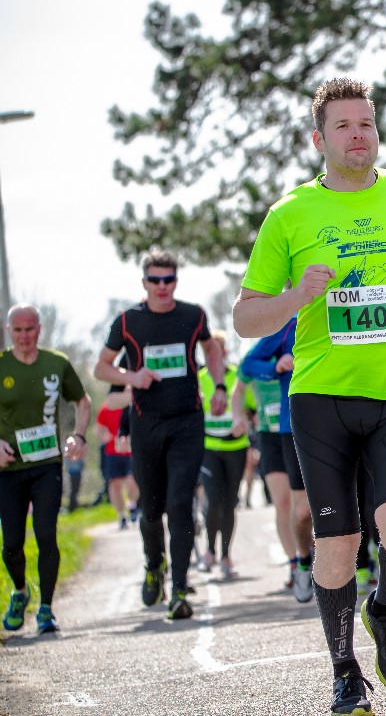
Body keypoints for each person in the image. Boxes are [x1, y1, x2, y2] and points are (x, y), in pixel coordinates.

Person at [232, 77, 386, 716]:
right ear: (319, 140)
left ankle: (383, 607)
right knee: (336, 544)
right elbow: (245, 317)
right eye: (343, 126)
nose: (358, 135)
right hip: (321, 399)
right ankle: (344, 670)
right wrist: (296, 297)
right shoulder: (290, 214)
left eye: (366, 123)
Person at [94, 250, 227, 620]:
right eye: (155, 280)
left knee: (180, 504)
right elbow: (101, 368)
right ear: (145, 282)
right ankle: (155, 565)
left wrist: (218, 386)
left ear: (176, 281)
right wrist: (132, 377)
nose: (162, 286)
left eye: (169, 279)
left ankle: (180, 589)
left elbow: (211, 349)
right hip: (146, 423)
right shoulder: (128, 321)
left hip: (187, 421)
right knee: (151, 510)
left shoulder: (193, 315)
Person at [0, 304, 91, 635]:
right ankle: (20, 591)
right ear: (9, 331)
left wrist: (78, 435)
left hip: (47, 465)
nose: (25, 336)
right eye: (18, 330)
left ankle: (46, 610)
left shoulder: (56, 363)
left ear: (40, 329)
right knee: (11, 545)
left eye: (30, 329)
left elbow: (82, 402)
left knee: (46, 534)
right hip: (9, 469)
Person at [239, 315, 316, 602]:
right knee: (300, 509)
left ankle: (351, 565)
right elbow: (247, 366)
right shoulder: (288, 326)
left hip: (340, 423)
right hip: (290, 427)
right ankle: (302, 561)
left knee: (343, 500)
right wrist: (276, 366)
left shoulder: (343, 312)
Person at [197, 330, 254, 579]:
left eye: (217, 351)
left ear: (225, 353)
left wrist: (245, 420)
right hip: (209, 448)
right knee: (213, 500)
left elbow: (250, 407)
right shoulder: (199, 378)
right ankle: (209, 551)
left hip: (235, 448)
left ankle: (226, 556)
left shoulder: (237, 377)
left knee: (230, 502)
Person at [96, 386, 140, 529]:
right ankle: (121, 516)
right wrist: (105, 436)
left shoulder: (134, 406)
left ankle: (132, 505)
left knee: (132, 480)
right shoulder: (106, 409)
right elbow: (98, 430)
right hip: (112, 452)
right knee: (114, 484)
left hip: (131, 452)